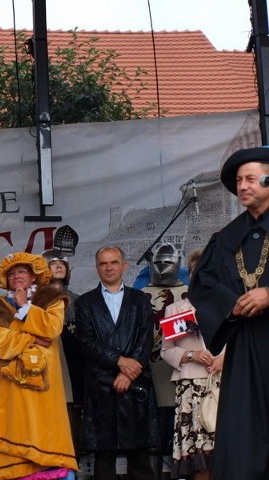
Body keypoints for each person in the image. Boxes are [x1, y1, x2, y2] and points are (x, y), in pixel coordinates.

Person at [188, 146, 269, 479]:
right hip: (246, 348)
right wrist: (231, 304)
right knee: (242, 438)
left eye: (250, 178)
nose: (242, 186)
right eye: (238, 180)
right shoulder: (225, 239)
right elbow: (203, 284)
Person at [0, 252, 78, 480]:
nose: (17, 276)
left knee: (48, 441)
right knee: (16, 441)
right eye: (11, 273)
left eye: (22, 271)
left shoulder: (52, 299)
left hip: (45, 389)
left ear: (33, 275)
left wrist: (25, 308)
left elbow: (51, 329)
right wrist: (34, 338)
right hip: (12, 390)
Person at [74, 245, 160, 480]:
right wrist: (120, 362)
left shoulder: (140, 299)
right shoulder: (84, 303)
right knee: (104, 457)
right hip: (101, 385)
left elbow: (145, 339)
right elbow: (87, 342)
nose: (109, 267)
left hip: (135, 382)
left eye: (113, 262)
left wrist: (128, 373)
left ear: (124, 266)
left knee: (139, 455)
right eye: (103, 263)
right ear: (97, 268)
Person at [161, 248, 224, 480]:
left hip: (225, 385)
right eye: (199, 270)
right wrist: (191, 355)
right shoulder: (175, 309)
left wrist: (224, 359)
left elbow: (243, 344)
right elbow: (166, 351)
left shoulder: (230, 307)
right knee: (199, 458)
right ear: (192, 274)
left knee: (227, 453)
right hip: (191, 390)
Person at [139, 243, 188, 479]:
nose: (161, 267)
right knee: (153, 437)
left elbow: (187, 336)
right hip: (149, 368)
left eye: (167, 262)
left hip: (183, 368)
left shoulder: (189, 294)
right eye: (158, 262)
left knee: (185, 432)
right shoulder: (138, 296)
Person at [41, 250, 86, 460]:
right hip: (46, 363)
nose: (58, 266)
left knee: (71, 420)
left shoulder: (79, 301)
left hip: (73, 365)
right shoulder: (36, 301)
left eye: (62, 263)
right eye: (53, 263)